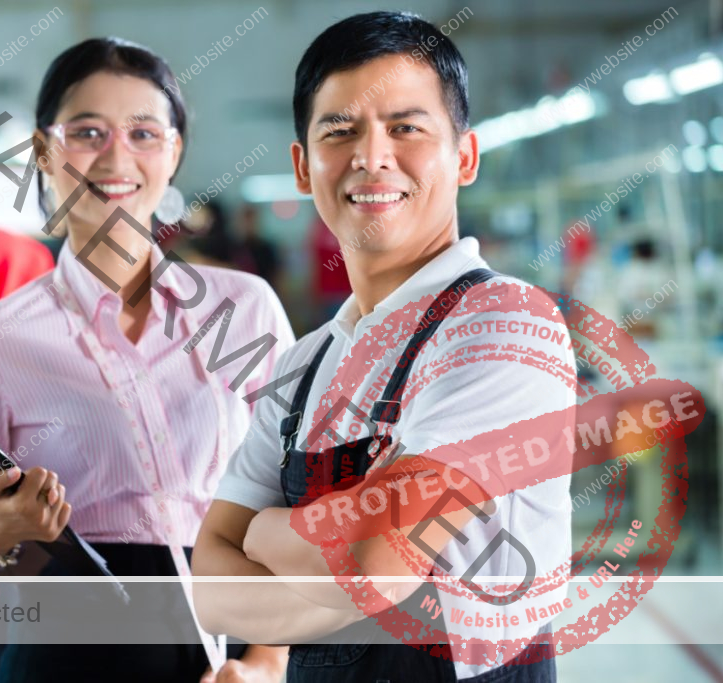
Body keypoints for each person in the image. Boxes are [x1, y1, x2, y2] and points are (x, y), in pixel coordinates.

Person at [194, 12, 574, 682]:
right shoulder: (303, 364)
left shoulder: (506, 325)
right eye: (339, 130)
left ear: (463, 156)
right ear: (303, 167)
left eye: (405, 127)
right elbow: (214, 584)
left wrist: (260, 536)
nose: (371, 156)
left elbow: (376, 565)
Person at [0, 37, 292, 683]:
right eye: (88, 132)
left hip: (233, 654)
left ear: (174, 153)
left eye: (143, 132)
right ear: (44, 152)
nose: (116, 156)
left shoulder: (243, 310)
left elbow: (296, 493)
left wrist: (270, 663)